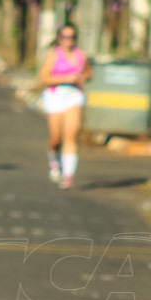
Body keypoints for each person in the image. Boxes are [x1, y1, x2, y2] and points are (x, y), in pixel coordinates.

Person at [38, 23, 91, 190]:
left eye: (72, 37)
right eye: (65, 37)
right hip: (55, 97)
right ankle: (54, 161)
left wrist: (83, 77)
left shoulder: (81, 55)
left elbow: (88, 72)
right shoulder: (54, 55)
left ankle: (68, 175)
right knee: (56, 138)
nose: (69, 40)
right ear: (60, 38)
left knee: (71, 135)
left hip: (73, 97)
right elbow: (44, 78)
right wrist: (66, 78)